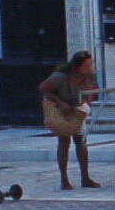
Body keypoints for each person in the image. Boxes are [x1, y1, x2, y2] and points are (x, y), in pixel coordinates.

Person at [40, 50, 102, 190]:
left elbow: (90, 92)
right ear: (76, 67)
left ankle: (85, 178)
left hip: (77, 109)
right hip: (61, 109)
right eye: (86, 65)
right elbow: (44, 88)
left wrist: (84, 104)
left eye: (90, 64)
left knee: (81, 141)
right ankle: (64, 179)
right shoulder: (60, 77)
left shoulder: (89, 77)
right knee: (64, 141)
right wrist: (60, 102)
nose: (89, 67)